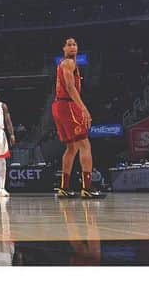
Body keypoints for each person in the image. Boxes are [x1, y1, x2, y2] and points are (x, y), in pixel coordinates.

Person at [52, 37, 102, 198]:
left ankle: (64, 187)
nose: (72, 47)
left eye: (74, 44)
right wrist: (83, 108)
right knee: (85, 145)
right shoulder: (68, 63)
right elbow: (69, 86)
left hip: (59, 106)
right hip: (67, 106)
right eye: (69, 44)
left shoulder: (69, 64)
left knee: (71, 148)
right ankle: (87, 188)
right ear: (64, 49)